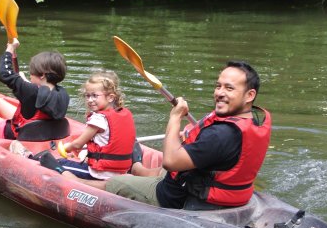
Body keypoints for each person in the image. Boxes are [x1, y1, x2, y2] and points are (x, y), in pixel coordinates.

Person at [84, 61, 271, 209]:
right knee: (160, 172)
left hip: (178, 197)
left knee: (118, 181)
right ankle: (137, 167)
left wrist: (175, 117)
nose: (219, 93)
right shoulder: (252, 121)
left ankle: (71, 181)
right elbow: (215, 150)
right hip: (224, 192)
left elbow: (171, 162)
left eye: (229, 88)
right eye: (218, 86)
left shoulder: (220, 135)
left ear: (249, 95)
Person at [41, 71, 136, 180]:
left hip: (101, 174)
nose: (90, 100)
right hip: (120, 172)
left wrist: (66, 148)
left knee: (58, 163)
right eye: (87, 96)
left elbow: (78, 144)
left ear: (110, 97)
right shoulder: (123, 113)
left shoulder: (98, 119)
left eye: (95, 96)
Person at [0, 37, 69, 139]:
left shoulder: (29, 91)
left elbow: (5, 74)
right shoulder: (61, 93)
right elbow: (36, 91)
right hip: (41, 133)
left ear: (42, 75)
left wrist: (10, 49)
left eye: (31, 73)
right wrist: (24, 81)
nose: (30, 76)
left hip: (16, 134)